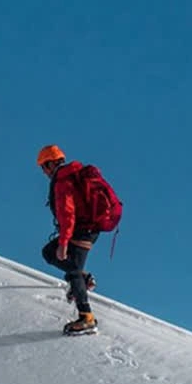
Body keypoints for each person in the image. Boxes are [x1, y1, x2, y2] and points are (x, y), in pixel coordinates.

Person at [38, 144, 121, 335]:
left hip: (82, 230)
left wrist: (63, 242)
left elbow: (67, 214)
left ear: (50, 164)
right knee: (57, 257)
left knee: (68, 264)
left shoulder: (62, 180)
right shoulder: (75, 173)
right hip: (91, 227)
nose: (43, 172)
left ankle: (86, 318)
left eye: (43, 167)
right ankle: (82, 279)